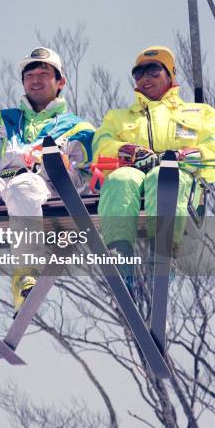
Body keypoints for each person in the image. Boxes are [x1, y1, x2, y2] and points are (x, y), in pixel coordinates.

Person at [0, 47, 95, 320]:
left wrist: (59, 169)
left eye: (44, 74)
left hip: (39, 186)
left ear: (60, 81)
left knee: (23, 186)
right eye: (29, 75)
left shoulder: (79, 129)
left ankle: (25, 279)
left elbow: (85, 177)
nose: (35, 80)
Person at [92, 45, 215, 287]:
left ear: (170, 74)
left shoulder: (199, 113)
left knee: (164, 176)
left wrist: (188, 156)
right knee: (120, 179)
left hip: (180, 183)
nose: (145, 79)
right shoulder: (119, 117)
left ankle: (162, 251)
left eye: (153, 72)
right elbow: (101, 146)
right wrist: (129, 152)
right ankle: (119, 256)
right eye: (138, 74)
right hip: (134, 179)